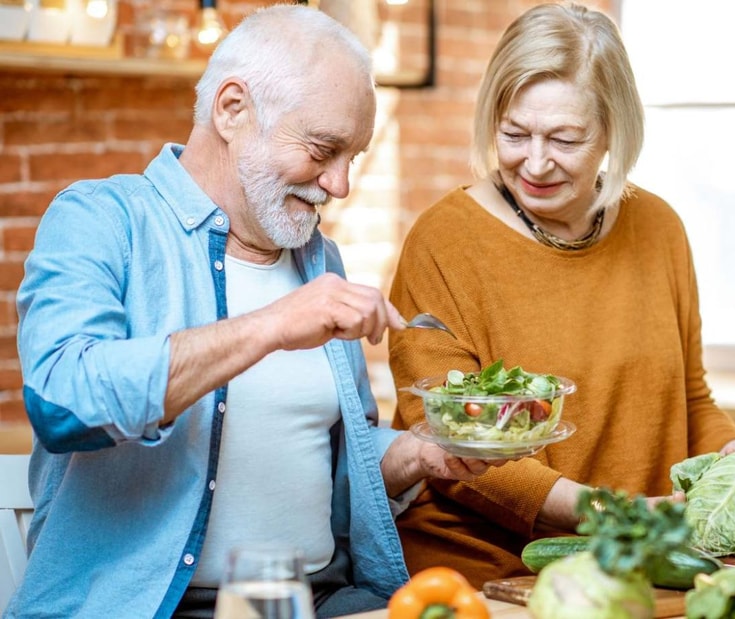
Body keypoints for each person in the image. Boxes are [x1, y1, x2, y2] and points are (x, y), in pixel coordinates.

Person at [9, 5, 498, 618]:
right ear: (232, 109)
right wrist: (270, 326)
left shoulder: (320, 261)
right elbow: (63, 402)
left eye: (355, 157)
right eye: (324, 148)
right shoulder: (102, 220)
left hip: (320, 601)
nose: (340, 184)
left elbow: (319, 462)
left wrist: (420, 456)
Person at [387, 1, 735, 588]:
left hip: (638, 567)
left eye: (565, 138)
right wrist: (611, 514)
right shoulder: (443, 241)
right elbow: (447, 442)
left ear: (613, 130)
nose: (534, 162)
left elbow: (690, 398)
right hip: (488, 576)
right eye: (514, 134)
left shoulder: (659, 228)